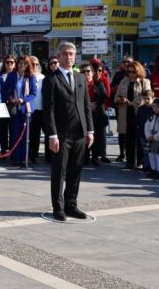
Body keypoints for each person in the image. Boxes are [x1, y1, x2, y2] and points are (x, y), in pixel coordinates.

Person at [42, 41, 94, 221]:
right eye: (65, 53)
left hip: (79, 132)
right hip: (61, 134)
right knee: (59, 172)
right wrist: (52, 135)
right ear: (58, 56)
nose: (69, 57)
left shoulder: (80, 78)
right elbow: (49, 110)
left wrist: (90, 130)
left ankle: (71, 205)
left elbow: (86, 106)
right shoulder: (51, 80)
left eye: (72, 53)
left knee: (75, 170)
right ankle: (58, 207)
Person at [115, 61, 151, 170]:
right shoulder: (124, 81)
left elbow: (146, 96)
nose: (130, 74)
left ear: (138, 71)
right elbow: (116, 96)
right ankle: (130, 161)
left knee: (139, 139)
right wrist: (119, 100)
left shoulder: (144, 82)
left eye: (133, 72)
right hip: (125, 113)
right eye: (129, 71)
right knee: (129, 139)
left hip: (139, 113)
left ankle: (140, 161)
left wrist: (130, 102)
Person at [5, 55, 38, 166]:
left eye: (24, 63)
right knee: (14, 133)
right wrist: (10, 98)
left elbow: (33, 94)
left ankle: (24, 158)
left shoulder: (31, 77)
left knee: (25, 135)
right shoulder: (11, 75)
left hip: (25, 109)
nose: (21, 65)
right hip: (14, 108)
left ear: (27, 65)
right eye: (20, 63)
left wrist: (23, 99)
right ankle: (15, 158)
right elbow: (6, 89)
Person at [80, 63, 107, 166]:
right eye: (84, 71)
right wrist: (87, 105)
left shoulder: (99, 84)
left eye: (88, 71)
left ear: (92, 73)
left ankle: (95, 157)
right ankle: (85, 157)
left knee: (96, 137)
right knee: (84, 136)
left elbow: (104, 96)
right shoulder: (79, 84)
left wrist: (95, 105)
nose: (86, 73)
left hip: (97, 114)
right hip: (84, 115)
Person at [111, 56, 133, 162]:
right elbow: (111, 89)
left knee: (132, 132)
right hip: (121, 107)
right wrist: (115, 89)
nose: (126, 64)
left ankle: (131, 155)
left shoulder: (138, 74)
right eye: (124, 62)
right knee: (122, 131)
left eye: (128, 62)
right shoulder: (118, 75)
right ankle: (121, 153)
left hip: (133, 107)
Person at [28, 56, 47, 164]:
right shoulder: (27, 77)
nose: (34, 66)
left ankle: (41, 155)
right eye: (32, 64)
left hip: (42, 109)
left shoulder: (43, 77)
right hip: (31, 110)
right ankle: (31, 156)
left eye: (36, 64)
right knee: (32, 135)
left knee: (42, 134)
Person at [0, 55, 16, 155]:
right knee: (3, 129)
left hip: (13, 105)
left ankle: (12, 151)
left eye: (12, 62)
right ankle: (3, 150)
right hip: (1, 105)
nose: (9, 64)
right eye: (7, 62)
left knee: (13, 129)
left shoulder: (17, 75)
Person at [144, 98, 159, 179]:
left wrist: (155, 137)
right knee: (151, 154)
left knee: (158, 155)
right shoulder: (151, 116)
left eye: (157, 107)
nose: (155, 108)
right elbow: (146, 126)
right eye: (153, 106)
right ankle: (153, 170)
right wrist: (148, 136)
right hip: (151, 138)